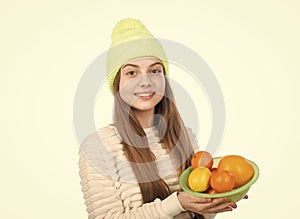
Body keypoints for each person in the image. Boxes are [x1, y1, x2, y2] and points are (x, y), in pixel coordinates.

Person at [78, 18, 238, 219]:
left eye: (154, 70)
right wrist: (176, 203)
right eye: (132, 72)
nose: (145, 81)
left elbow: (196, 212)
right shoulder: (97, 146)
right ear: (117, 83)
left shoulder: (184, 136)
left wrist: (215, 200)